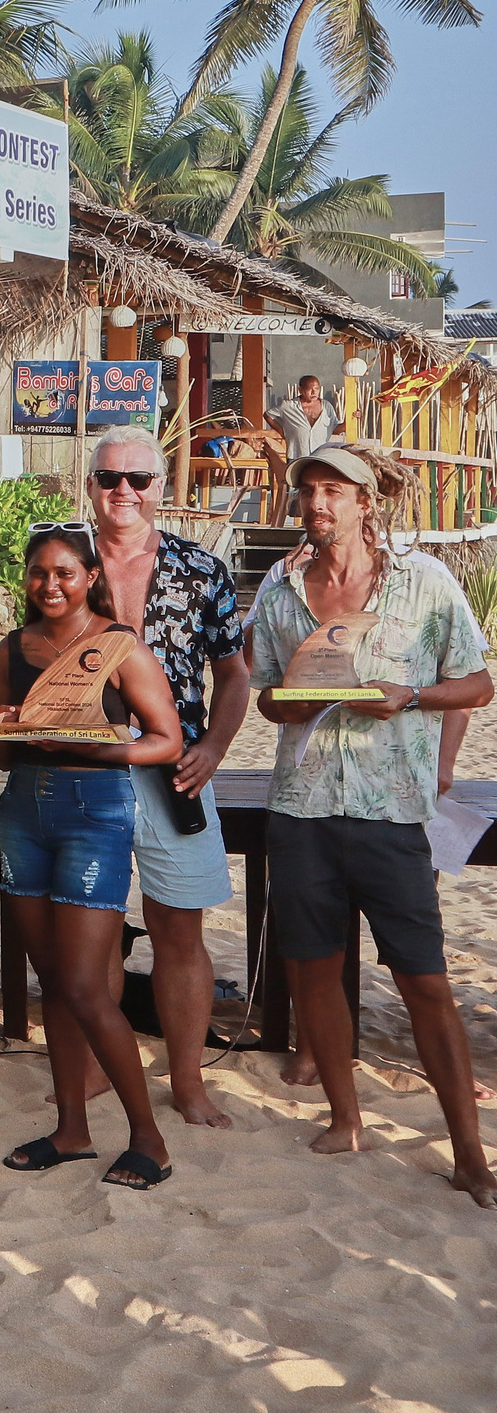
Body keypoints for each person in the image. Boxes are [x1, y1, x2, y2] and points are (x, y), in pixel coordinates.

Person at [251, 444, 496, 1207]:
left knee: (424, 979)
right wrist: (293, 697)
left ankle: (469, 1154)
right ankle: (345, 1116)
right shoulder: (281, 587)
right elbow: (262, 695)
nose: (317, 503)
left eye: (333, 490)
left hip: (392, 812)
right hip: (303, 807)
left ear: (366, 501)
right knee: (315, 968)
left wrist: (408, 698)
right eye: (307, 490)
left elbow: (479, 680)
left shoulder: (423, 581)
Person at [47, 427, 250, 1129]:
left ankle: (188, 1079)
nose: (123, 491)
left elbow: (234, 673)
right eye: (109, 478)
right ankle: (104, 1064)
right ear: (90, 483)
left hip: (176, 770)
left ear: (161, 487)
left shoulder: (200, 568)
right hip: (82, 767)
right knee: (95, 927)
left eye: (138, 479)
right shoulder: (61, 564)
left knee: (178, 928)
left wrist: (216, 748)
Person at [0, 525, 186, 1190]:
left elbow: (166, 740)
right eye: (39, 573)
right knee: (55, 983)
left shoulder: (117, 646)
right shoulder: (9, 649)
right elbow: (3, 755)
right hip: (24, 812)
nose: (51, 584)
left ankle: (148, 1138)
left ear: (91, 575)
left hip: (94, 808)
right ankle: (71, 1129)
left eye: (65, 573)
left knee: (83, 984)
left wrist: (106, 750)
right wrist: (5, 729)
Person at [267, 375, 342, 461]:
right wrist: (281, 431)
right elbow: (268, 415)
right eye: (310, 389)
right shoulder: (289, 406)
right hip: (296, 455)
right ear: (300, 390)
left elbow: (335, 429)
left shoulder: (326, 407)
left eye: (317, 389)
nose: (314, 392)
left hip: (321, 456)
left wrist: (349, 422)